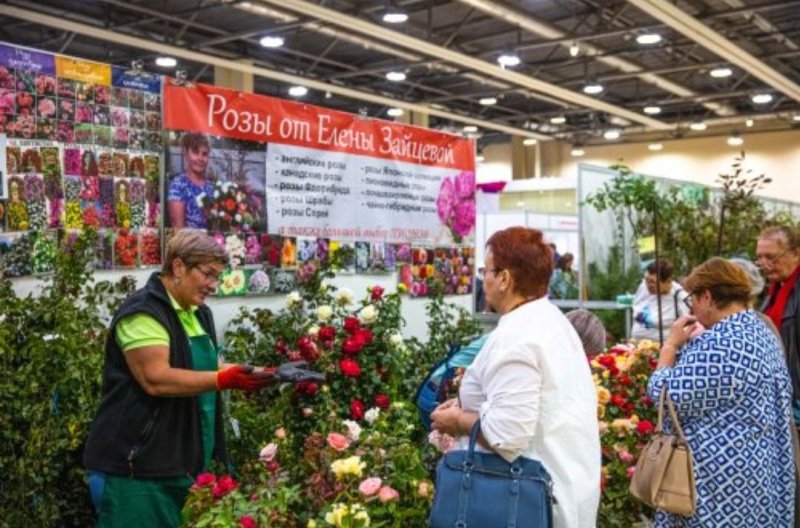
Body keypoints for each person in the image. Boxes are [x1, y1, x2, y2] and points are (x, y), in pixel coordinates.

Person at [84, 229, 321, 527]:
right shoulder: (144, 313)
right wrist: (225, 380)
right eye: (208, 274)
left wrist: (272, 373)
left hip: (180, 463)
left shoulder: (197, 313)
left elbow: (210, 366)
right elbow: (156, 379)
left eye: (218, 277)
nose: (213, 285)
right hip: (136, 471)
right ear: (178, 266)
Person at [430, 227, 600, 527]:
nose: (484, 278)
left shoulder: (518, 336)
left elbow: (507, 435)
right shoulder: (548, 320)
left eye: (486, 270)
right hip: (560, 491)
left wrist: (457, 421)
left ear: (505, 279)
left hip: (526, 503)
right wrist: (466, 404)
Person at [648, 257, 794, 526]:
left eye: (691, 299)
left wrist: (670, 346)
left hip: (717, 481)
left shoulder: (719, 343)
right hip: (757, 470)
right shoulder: (761, 332)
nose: (691, 307)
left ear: (707, 297)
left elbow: (664, 395)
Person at [758, 226, 800, 422]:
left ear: (796, 254)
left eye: (771, 257)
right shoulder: (773, 291)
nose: (765, 264)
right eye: (760, 258)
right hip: (780, 392)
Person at [631, 258, 690, 342]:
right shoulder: (644, 287)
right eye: (646, 280)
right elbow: (636, 307)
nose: (648, 285)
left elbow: (687, 325)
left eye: (652, 282)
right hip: (637, 343)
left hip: (664, 345)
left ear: (667, 281)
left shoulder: (679, 296)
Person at [168, 133, 213, 229]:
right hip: (187, 239)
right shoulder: (178, 185)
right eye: (195, 152)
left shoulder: (211, 187)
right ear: (186, 154)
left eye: (204, 154)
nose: (200, 158)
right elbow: (179, 229)